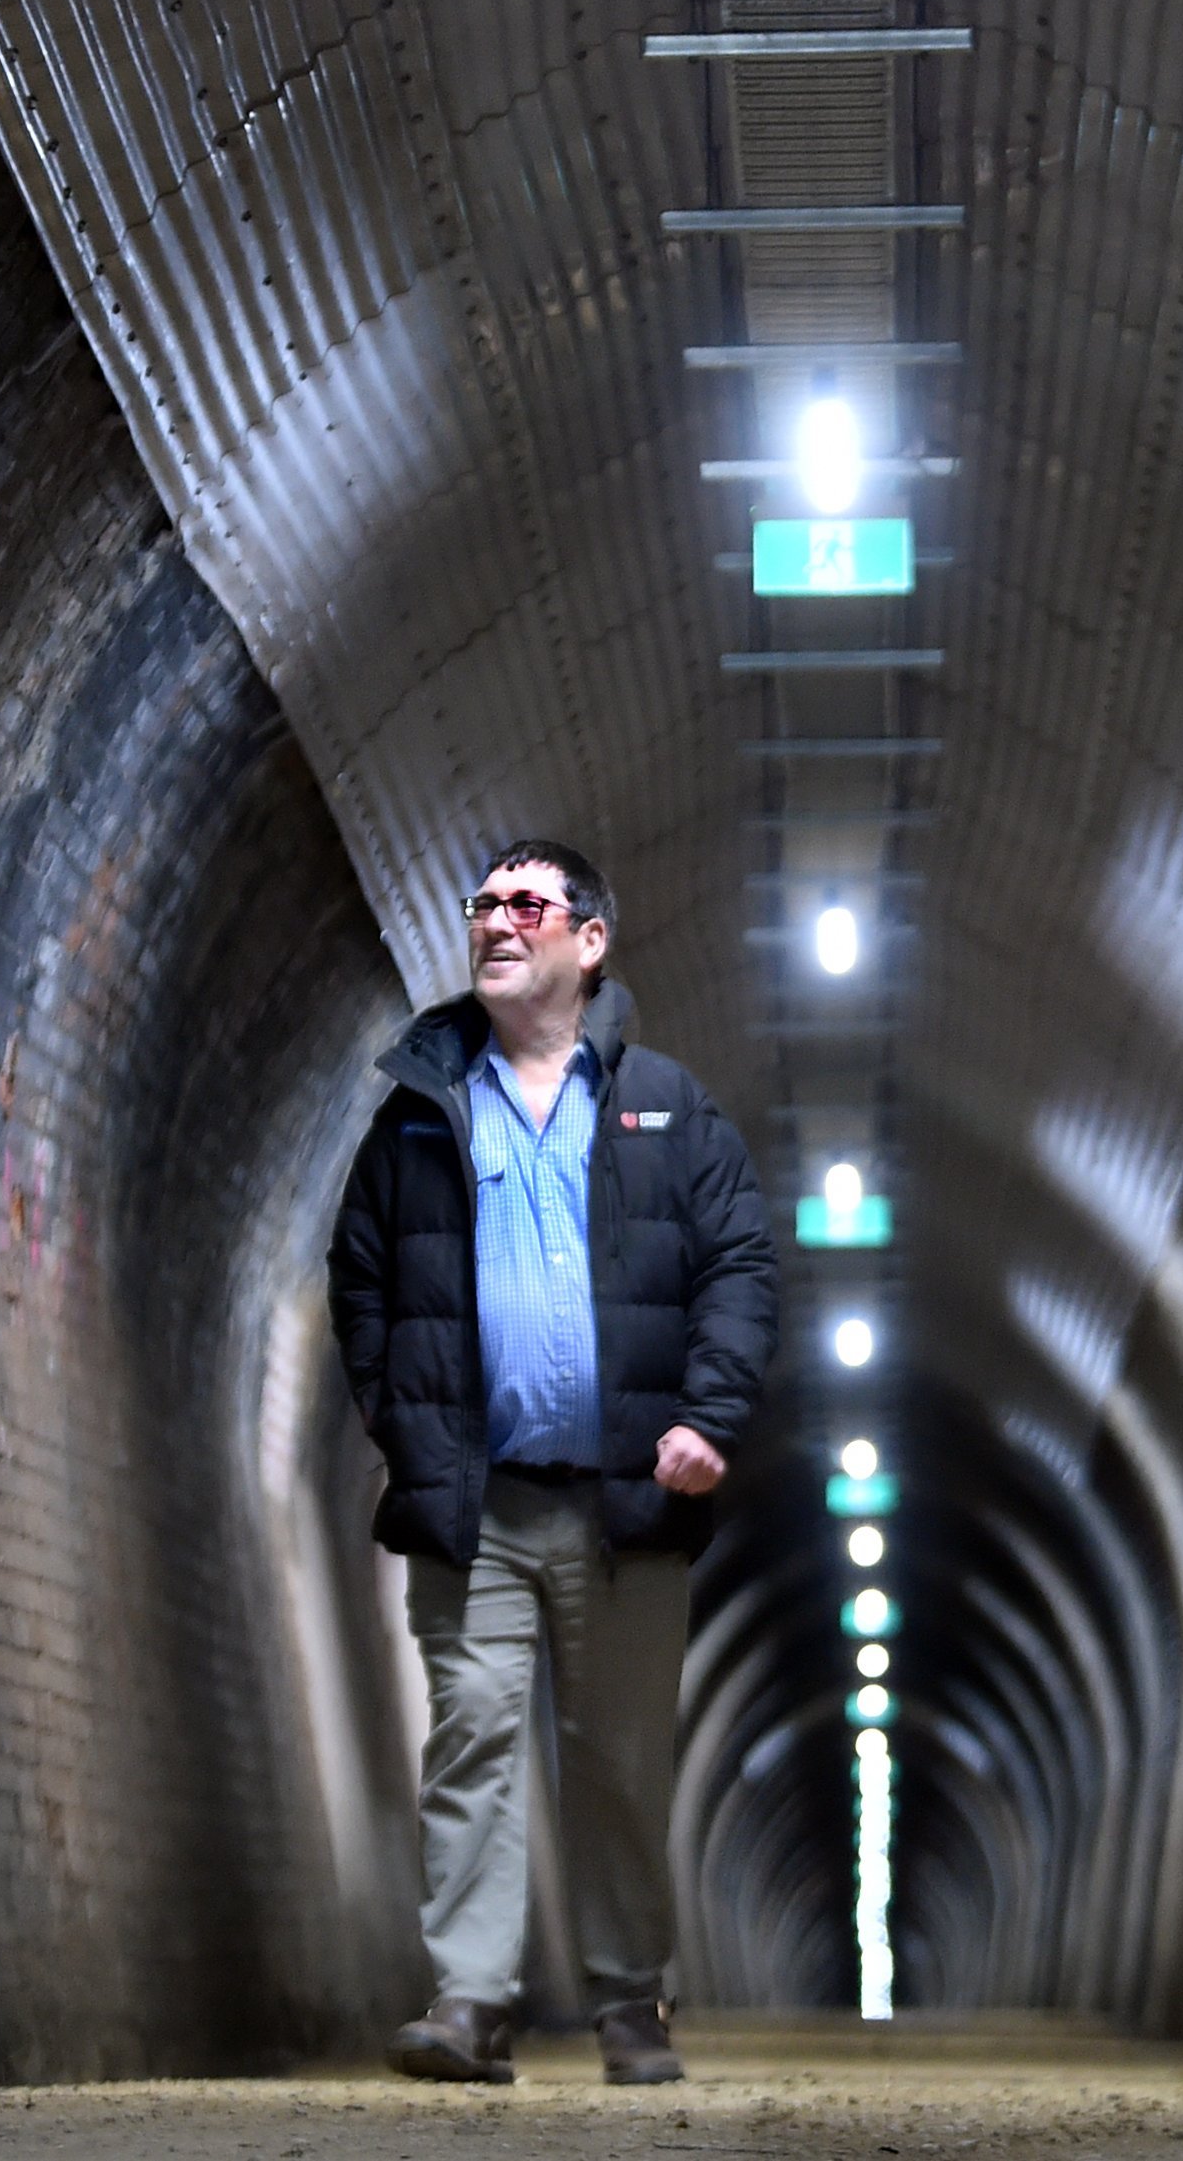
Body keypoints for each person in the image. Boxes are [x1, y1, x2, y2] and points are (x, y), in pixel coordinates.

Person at [327, 839, 779, 2087]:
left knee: (620, 1761)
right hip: (471, 1502)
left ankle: (631, 2002)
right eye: (483, 903)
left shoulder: (668, 1110)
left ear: (590, 942)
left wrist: (709, 1415)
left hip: (627, 1506)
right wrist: (405, 1422)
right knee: (469, 1739)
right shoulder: (420, 1112)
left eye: (529, 904)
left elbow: (739, 1267)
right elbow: (360, 1274)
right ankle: (472, 2001)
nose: (497, 922)